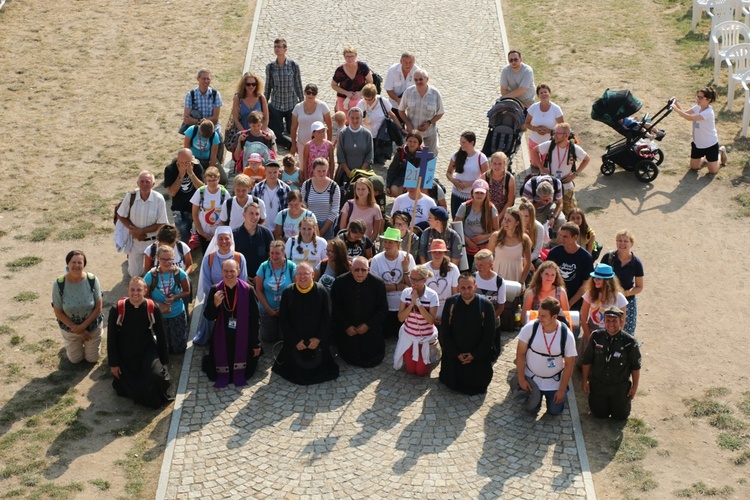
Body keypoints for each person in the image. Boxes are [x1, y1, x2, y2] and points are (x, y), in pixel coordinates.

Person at [107, 277, 171, 409]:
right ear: (127, 290)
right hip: (125, 351)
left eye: (139, 290)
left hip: (147, 349)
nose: (135, 293)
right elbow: (111, 338)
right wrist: (113, 363)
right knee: (129, 382)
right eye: (132, 290)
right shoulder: (117, 309)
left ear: (145, 291)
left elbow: (161, 335)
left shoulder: (152, 308)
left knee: (157, 377)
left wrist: (164, 362)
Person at [273, 262, 340, 385]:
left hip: (317, 342)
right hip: (295, 342)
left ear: (313, 275)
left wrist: (318, 339)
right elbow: (283, 320)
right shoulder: (288, 292)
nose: (302, 277)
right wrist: (295, 341)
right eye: (299, 274)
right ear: (295, 276)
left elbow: (327, 318)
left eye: (306, 274)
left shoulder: (321, 291)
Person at [202, 259, 262, 387]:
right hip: (222, 334)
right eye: (226, 271)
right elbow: (208, 316)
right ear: (221, 272)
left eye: (232, 271)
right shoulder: (215, 290)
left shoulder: (248, 290)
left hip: (243, 334)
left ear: (238, 272)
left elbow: (255, 319)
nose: (229, 274)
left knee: (248, 366)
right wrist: (215, 304)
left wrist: (256, 343)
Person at [515, 297, 576, 416]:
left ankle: (561, 396)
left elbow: (569, 364)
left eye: (543, 316)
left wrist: (562, 390)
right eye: (539, 314)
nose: (539, 318)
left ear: (554, 317)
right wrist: (521, 379)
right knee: (530, 410)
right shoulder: (530, 328)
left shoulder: (567, 335)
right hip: (532, 379)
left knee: (554, 411)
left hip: (554, 381)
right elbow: (520, 354)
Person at [439, 273, 496, 395]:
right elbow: (445, 332)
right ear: (458, 288)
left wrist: (474, 355)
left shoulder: (486, 305)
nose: (466, 291)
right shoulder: (451, 303)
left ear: (475, 287)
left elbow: (489, 336)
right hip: (455, 354)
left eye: (469, 287)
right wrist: (456, 353)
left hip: (477, 355)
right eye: (463, 288)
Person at [581, 306, 642, 420]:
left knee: (620, 417)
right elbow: (587, 360)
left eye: (614, 321)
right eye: (608, 320)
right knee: (599, 415)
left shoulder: (629, 342)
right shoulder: (596, 337)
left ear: (621, 321)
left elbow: (635, 366)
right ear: (603, 321)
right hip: (599, 384)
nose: (611, 324)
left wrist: (634, 387)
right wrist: (585, 381)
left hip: (619, 386)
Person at [193, 227, 248, 346]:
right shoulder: (209, 258)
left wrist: (232, 295)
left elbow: (243, 279)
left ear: (231, 240)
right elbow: (206, 281)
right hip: (215, 298)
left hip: (235, 297)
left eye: (226, 239)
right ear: (216, 241)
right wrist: (217, 297)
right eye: (220, 239)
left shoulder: (239, 257)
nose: (224, 242)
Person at [330, 256, 388, 367]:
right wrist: (346, 326)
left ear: (369, 270)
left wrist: (367, 325)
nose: (360, 273)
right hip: (347, 331)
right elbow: (335, 308)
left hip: (370, 331)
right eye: (356, 269)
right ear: (351, 269)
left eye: (363, 270)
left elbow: (382, 310)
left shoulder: (378, 283)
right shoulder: (340, 282)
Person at [51, 250, 104, 364]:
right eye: (73, 262)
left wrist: (83, 328)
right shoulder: (59, 284)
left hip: (92, 326)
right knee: (75, 360)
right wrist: (77, 329)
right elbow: (58, 312)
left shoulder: (92, 280)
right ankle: (72, 344)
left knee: (92, 359)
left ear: (84, 264)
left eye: (80, 262)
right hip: (70, 329)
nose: (76, 265)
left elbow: (98, 308)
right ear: (68, 264)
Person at [116, 170, 168, 278]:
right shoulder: (130, 196)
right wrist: (133, 231)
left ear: (153, 184)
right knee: (135, 275)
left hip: (152, 242)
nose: (144, 184)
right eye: (142, 181)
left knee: (152, 274)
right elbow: (120, 214)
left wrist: (142, 231)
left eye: (148, 182)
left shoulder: (159, 199)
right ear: (137, 183)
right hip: (135, 241)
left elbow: (162, 223)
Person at [533, 122, 590, 217]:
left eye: (557, 133)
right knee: (549, 214)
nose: (554, 135)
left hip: (566, 187)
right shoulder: (550, 145)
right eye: (554, 133)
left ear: (566, 135)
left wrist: (575, 174)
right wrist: (541, 168)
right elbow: (535, 150)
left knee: (571, 214)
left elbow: (586, 159)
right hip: (551, 187)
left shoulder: (573, 148)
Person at [370, 227, 416, 338]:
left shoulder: (407, 257)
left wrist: (405, 269)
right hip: (385, 308)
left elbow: (412, 285)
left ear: (398, 243)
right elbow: (375, 287)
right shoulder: (376, 260)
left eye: (390, 242)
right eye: (385, 242)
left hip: (403, 307)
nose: (387, 245)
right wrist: (397, 287)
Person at [144, 245, 191, 354]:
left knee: (179, 348)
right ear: (158, 259)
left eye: (169, 259)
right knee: (164, 345)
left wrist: (175, 297)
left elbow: (187, 291)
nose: (166, 262)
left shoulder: (179, 273)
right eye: (163, 259)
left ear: (173, 258)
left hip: (177, 312)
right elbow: (144, 295)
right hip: (159, 315)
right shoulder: (151, 275)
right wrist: (158, 305)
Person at [393, 265, 439, 376]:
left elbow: (431, 320)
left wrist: (418, 303)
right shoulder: (406, 293)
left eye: (416, 279)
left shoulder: (432, 295)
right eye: (411, 278)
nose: (412, 282)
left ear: (424, 280)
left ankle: (428, 358)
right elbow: (400, 318)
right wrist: (411, 305)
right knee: (410, 370)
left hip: (425, 337)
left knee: (421, 372)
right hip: (409, 336)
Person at [672, 86, 726, 173]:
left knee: (713, 171)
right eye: (698, 96)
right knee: (694, 167)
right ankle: (705, 157)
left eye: (701, 97)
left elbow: (689, 118)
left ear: (708, 100)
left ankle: (720, 152)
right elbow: (685, 113)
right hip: (698, 143)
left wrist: (676, 109)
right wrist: (677, 104)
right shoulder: (697, 107)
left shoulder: (708, 112)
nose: (698, 99)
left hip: (710, 144)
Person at [600, 229, 644, 335]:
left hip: (628, 300)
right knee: (604, 328)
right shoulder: (608, 258)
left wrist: (626, 293)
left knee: (627, 331)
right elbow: (599, 277)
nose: (622, 243)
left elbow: (639, 287)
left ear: (631, 244)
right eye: (619, 240)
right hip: (607, 299)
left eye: (626, 241)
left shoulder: (636, 263)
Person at [255, 240, 297, 343]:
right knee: (268, 338)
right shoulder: (264, 266)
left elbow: (296, 290)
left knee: (284, 337)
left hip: (286, 309)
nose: (274, 256)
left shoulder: (291, 267)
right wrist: (268, 309)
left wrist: (285, 307)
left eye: (277, 253)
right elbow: (259, 290)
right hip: (267, 309)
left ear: (284, 253)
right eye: (272, 253)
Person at [265, 38, 303, 149]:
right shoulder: (270, 67)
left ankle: (293, 144)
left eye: (279, 47)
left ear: (285, 49)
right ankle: (288, 144)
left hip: (291, 103)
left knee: (292, 130)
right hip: (276, 104)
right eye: (275, 47)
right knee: (277, 132)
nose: (277, 49)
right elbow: (268, 86)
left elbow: (298, 84)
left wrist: (302, 102)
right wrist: (264, 103)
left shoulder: (293, 66)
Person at [546, 222, 594, 311]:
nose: (561, 239)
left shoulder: (585, 257)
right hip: (554, 299)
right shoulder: (554, 253)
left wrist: (569, 303)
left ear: (575, 237)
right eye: (560, 235)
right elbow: (546, 275)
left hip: (576, 301)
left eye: (565, 237)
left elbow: (586, 284)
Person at [398, 69, 444, 156]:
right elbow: (401, 110)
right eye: (416, 80)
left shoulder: (435, 94)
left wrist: (429, 123)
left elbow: (440, 112)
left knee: (431, 156)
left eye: (421, 79)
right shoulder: (408, 92)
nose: (418, 82)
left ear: (427, 79)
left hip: (429, 132)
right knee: (410, 156)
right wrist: (408, 124)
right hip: (413, 133)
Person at [455, 179, 499, 269]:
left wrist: (482, 237)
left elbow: (496, 230)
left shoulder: (491, 209)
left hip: (484, 247)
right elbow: (456, 226)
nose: (479, 195)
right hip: (466, 247)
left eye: (482, 193)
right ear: (472, 193)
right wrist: (467, 240)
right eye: (477, 192)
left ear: (486, 194)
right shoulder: (464, 207)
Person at [163, 148, 205, 244]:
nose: (186, 165)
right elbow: (172, 192)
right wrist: (181, 175)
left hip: (197, 208)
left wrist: (191, 174)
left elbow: (202, 189)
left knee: (201, 238)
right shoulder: (170, 169)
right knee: (183, 240)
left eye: (188, 162)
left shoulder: (197, 167)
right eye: (183, 163)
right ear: (177, 160)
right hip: (180, 210)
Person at [581, 264, 628, 343]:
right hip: (591, 333)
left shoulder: (619, 297)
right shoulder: (589, 294)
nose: (595, 280)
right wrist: (589, 338)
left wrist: (613, 339)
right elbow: (583, 318)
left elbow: (622, 322)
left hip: (611, 335)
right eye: (594, 277)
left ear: (607, 281)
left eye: (599, 278)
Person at [446, 131, 489, 218]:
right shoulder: (456, 155)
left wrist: (470, 184)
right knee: (456, 219)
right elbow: (448, 173)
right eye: (461, 142)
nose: (461, 144)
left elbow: (486, 178)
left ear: (472, 143)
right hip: (456, 194)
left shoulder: (481, 157)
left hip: (473, 196)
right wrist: (454, 181)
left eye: (464, 142)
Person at [522, 84, 564, 170]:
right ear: (538, 96)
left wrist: (549, 131)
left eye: (546, 92)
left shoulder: (556, 109)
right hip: (534, 142)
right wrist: (535, 129)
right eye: (541, 93)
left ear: (550, 94)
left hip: (549, 143)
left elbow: (562, 127)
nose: (544, 94)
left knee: (547, 167)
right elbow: (526, 123)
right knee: (535, 166)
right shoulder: (533, 108)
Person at [473, 249, 506, 356]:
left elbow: (501, 307)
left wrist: (488, 321)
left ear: (491, 265)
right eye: (477, 264)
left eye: (482, 265)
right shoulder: (473, 278)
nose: (478, 267)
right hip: (475, 321)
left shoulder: (499, 281)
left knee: (492, 353)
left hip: (492, 323)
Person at [358, 83, 401, 163]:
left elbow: (392, 115)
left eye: (369, 99)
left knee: (380, 160)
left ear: (374, 96)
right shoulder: (361, 103)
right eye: (365, 99)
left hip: (381, 135)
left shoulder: (383, 101)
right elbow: (356, 117)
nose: (367, 101)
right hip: (367, 134)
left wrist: (400, 128)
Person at [488, 207, 532, 284]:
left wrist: (521, 282)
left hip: (516, 278)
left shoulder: (524, 239)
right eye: (505, 219)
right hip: (497, 278)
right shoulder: (495, 236)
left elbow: (527, 263)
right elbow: (488, 258)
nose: (505, 222)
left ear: (517, 223)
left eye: (509, 220)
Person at [190, 167, 227, 254]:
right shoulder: (200, 192)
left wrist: (218, 233)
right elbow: (194, 214)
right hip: (203, 232)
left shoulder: (224, 193)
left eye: (214, 180)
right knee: (206, 255)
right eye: (209, 180)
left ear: (219, 179)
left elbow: (226, 215)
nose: (212, 183)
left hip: (218, 233)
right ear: (205, 180)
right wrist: (202, 232)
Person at [521, 261, 570, 326]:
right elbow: (524, 318)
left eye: (552, 275)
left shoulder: (561, 292)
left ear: (556, 276)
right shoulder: (531, 293)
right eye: (546, 274)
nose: (549, 277)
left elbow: (567, 315)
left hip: (556, 329)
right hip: (536, 328)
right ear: (541, 274)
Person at [301, 158, 340, 239]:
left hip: (328, 225)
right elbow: (303, 205)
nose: (321, 174)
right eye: (319, 171)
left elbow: (335, 211)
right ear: (313, 171)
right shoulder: (307, 185)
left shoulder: (334, 187)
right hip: (309, 224)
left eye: (324, 171)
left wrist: (321, 231)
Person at [233, 202, 274, 279]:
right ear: (244, 214)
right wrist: (242, 276)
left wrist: (260, 276)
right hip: (240, 279)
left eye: (257, 214)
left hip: (263, 278)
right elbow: (231, 258)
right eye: (251, 213)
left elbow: (272, 257)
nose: (254, 217)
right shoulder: (234, 234)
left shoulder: (266, 233)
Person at [291, 83, 333, 156]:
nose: (311, 95)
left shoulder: (323, 106)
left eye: (313, 93)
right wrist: (294, 145)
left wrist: (328, 143)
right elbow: (293, 127)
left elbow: (330, 126)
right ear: (304, 93)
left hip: (320, 145)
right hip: (302, 144)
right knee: (303, 166)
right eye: (308, 93)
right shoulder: (298, 107)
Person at [424, 239, 460, 320]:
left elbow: (455, 294)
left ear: (444, 253)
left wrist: (452, 313)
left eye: (440, 252)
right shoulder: (424, 269)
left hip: (447, 311)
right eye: (434, 252)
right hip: (428, 312)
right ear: (430, 253)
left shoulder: (453, 268)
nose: (437, 255)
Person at [331, 45, 373, 114]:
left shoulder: (362, 67)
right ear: (344, 57)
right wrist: (346, 92)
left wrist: (360, 92)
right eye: (347, 56)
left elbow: (370, 81)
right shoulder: (340, 70)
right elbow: (333, 85)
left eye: (352, 56)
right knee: (344, 121)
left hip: (360, 98)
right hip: (343, 98)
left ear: (356, 55)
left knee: (358, 119)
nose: (350, 59)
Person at [252, 160, 290, 233]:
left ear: (279, 172)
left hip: (279, 229)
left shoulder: (285, 189)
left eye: (275, 172)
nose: (272, 175)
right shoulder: (257, 188)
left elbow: (287, 210)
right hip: (262, 228)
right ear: (265, 172)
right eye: (269, 172)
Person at [336, 107, 374, 178]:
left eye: (357, 118)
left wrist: (359, 172)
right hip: (345, 172)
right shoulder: (343, 134)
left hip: (363, 172)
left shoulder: (367, 134)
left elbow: (369, 156)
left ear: (361, 118)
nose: (355, 120)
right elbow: (340, 155)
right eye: (352, 118)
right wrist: (348, 172)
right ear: (349, 118)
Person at [182, 69, 222, 134]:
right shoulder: (190, 95)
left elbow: (215, 119)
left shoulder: (215, 94)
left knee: (219, 137)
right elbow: (186, 119)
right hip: (195, 127)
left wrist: (197, 121)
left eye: (208, 79)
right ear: (198, 79)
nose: (206, 81)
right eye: (203, 78)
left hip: (211, 127)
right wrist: (199, 122)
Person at [387, 130, 422, 197]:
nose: (412, 144)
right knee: (394, 190)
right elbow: (393, 168)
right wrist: (388, 185)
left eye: (415, 142)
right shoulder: (401, 152)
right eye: (410, 141)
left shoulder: (423, 153)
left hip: (417, 177)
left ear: (419, 143)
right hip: (402, 175)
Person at [385, 52, 420, 118]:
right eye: (405, 62)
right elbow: (389, 89)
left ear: (414, 62)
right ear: (401, 61)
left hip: (412, 105)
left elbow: (421, 88)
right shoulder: (392, 70)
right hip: (395, 104)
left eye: (410, 62)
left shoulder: (418, 72)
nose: (408, 65)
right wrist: (398, 100)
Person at [483, 151, 515, 221]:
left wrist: (499, 217)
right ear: (491, 164)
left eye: (500, 164)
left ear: (504, 164)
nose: (497, 166)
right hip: (486, 212)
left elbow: (510, 201)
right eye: (494, 163)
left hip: (503, 214)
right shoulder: (485, 177)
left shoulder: (509, 179)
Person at [518, 199, 545, 273]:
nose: (523, 219)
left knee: (540, 267)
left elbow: (537, 251)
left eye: (526, 216)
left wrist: (527, 261)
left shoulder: (539, 227)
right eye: (521, 215)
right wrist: (522, 261)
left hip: (532, 255)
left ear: (532, 216)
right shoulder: (516, 225)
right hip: (517, 255)